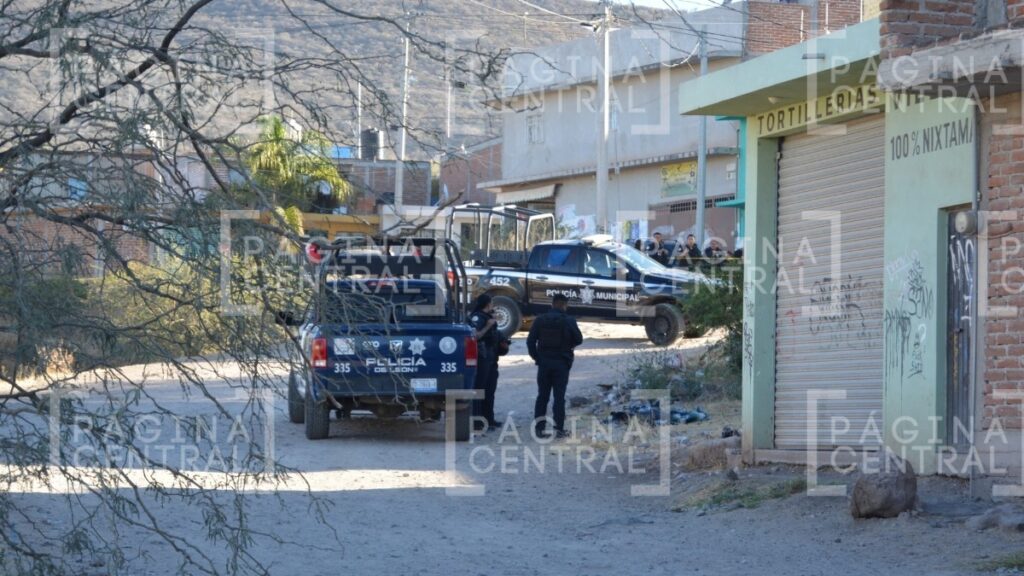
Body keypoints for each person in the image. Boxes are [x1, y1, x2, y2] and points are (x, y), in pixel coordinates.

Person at [527, 293, 583, 438]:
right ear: (564, 305)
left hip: (544, 363)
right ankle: (559, 429)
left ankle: (539, 429)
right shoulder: (569, 320)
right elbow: (579, 339)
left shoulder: (540, 320)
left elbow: (530, 341)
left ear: (552, 304)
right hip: (561, 363)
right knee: (559, 397)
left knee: (542, 396)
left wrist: (537, 358)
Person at [469, 294, 506, 431]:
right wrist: (487, 326)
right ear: (487, 304)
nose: (493, 306)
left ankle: (489, 420)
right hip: (482, 357)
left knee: (490, 390)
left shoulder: (489, 317)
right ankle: (478, 423)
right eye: (491, 303)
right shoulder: (477, 317)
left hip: (491, 357)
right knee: (480, 390)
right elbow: (474, 336)